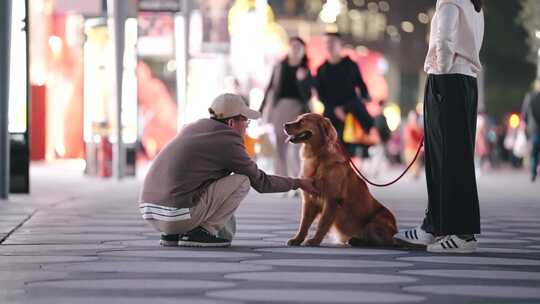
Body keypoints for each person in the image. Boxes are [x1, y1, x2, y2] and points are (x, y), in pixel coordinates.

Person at [139, 93, 318, 247]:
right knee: (242, 180)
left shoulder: (192, 129)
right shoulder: (227, 140)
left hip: (150, 213)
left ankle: (173, 235)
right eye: (245, 120)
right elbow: (262, 183)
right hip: (176, 216)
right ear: (232, 122)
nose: (247, 125)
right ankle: (200, 233)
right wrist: (299, 183)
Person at [394, 0, 484, 253]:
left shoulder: (451, 1)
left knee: (448, 157)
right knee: (444, 156)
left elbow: (444, 40)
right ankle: (435, 226)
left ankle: (462, 234)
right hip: (463, 80)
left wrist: (440, 71)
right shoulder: (473, 6)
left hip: (448, 80)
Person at [260, 37, 313, 179]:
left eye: (299, 47)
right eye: (293, 46)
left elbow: (308, 95)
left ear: (303, 50)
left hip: (298, 111)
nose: (295, 49)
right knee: (280, 146)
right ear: (288, 48)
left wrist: (302, 81)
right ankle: (282, 179)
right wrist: (261, 109)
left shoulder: (305, 70)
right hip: (280, 108)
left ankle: (296, 179)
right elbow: (270, 88)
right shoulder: (279, 67)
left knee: (295, 147)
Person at [315, 32, 373, 158]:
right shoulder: (321, 69)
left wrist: (365, 98)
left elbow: (362, 86)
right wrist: (335, 110)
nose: (329, 45)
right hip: (331, 115)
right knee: (330, 149)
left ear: (339, 44)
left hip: (351, 113)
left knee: (349, 152)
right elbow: (320, 95)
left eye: (332, 42)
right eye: (326, 43)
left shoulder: (350, 65)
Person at [521, 79, 540, 182]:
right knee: (534, 151)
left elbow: (524, 113)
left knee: (534, 151)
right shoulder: (530, 96)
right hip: (534, 129)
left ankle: (534, 172)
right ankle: (533, 172)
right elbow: (524, 113)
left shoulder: (530, 96)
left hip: (534, 128)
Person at [403, 110, 424, 179]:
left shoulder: (419, 127)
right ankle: (414, 173)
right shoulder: (408, 127)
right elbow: (407, 138)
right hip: (410, 148)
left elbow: (421, 137)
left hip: (416, 149)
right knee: (411, 161)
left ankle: (415, 173)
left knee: (416, 162)